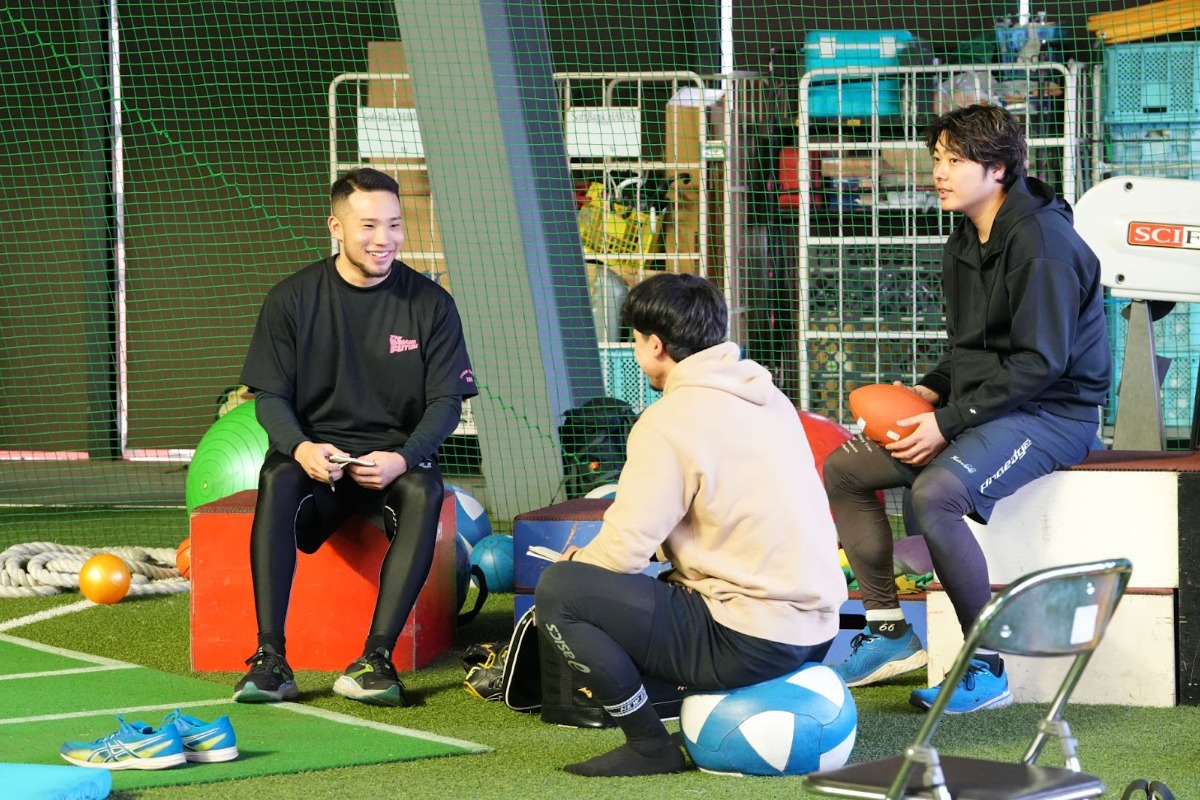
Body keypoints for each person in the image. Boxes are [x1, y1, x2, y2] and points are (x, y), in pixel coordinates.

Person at [823, 104, 1111, 713]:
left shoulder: (1043, 244)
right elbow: (972, 349)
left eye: (955, 160)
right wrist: (933, 389)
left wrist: (947, 423)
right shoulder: (965, 235)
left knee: (935, 494)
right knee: (845, 470)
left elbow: (1040, 364)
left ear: (998, 169)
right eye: (937, 158)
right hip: (991, 405)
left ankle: (986, 667)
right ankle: (888, 634)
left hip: (1054, 414)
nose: (939, 173)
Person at [535, 273, 847, 777]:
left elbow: (623, 552)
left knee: (561, 590)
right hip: (817, 631)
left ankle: (648, 746)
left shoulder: (667, 420)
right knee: (651, 587)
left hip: (749, 638)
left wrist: (579, 561)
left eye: (635, 340)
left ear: (655, 346)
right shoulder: (769, 397)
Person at [233, 167, 477, 707]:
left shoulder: (431, 304)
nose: (383, 238)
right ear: (336, 227)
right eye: (368, 225)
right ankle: (270, 658)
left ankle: (377, 660)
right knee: (277, 477)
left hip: (391, 466)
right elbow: (269, 398)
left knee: (424, 488)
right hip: (315, 463)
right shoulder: (292, 299)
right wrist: (301, 448)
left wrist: (403, 458)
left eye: (394, 224)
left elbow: (446, 403)